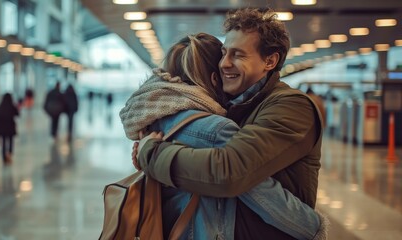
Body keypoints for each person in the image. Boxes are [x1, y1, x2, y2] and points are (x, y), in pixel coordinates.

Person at [133, 9, 325, 239]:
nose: (224, 63)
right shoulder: (235, 106)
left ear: (270, 60)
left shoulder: (291, 107)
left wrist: (153, 154)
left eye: (238, 55)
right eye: (224, 53)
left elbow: (229, 171)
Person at [0, 93, 19, 164]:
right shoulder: (12, 106)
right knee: (11, 141)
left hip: (2, 127)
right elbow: (17, 114)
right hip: (10, 126)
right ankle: (9, 154)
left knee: (3, 142)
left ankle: (3, 156)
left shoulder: (0, 106)